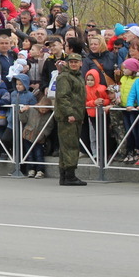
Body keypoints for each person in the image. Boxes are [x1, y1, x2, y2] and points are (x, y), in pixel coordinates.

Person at [54, 52, 87, 185]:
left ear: (80, 63)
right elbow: (63, 97)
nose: (74, 64)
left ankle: (65, 175)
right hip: (68, 117)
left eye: (76, 62)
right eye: (71, 62)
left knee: (67, 146)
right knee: (70, 146)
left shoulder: (77, 76)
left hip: (76, 115)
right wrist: (70, 114)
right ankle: (69, 175)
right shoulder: (65, 77)